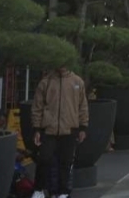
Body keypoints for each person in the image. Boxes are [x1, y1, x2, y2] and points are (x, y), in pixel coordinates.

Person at [30, 65, 88, 198]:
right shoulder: (46, 82)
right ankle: (38, 189)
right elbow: (37, 107)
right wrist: (37, 129)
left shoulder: (77, 81)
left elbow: (83, 106)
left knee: (66, 162)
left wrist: (83, 127)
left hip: (70, 128)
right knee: (44, 159)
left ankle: (63, 192)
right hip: (48, 128)